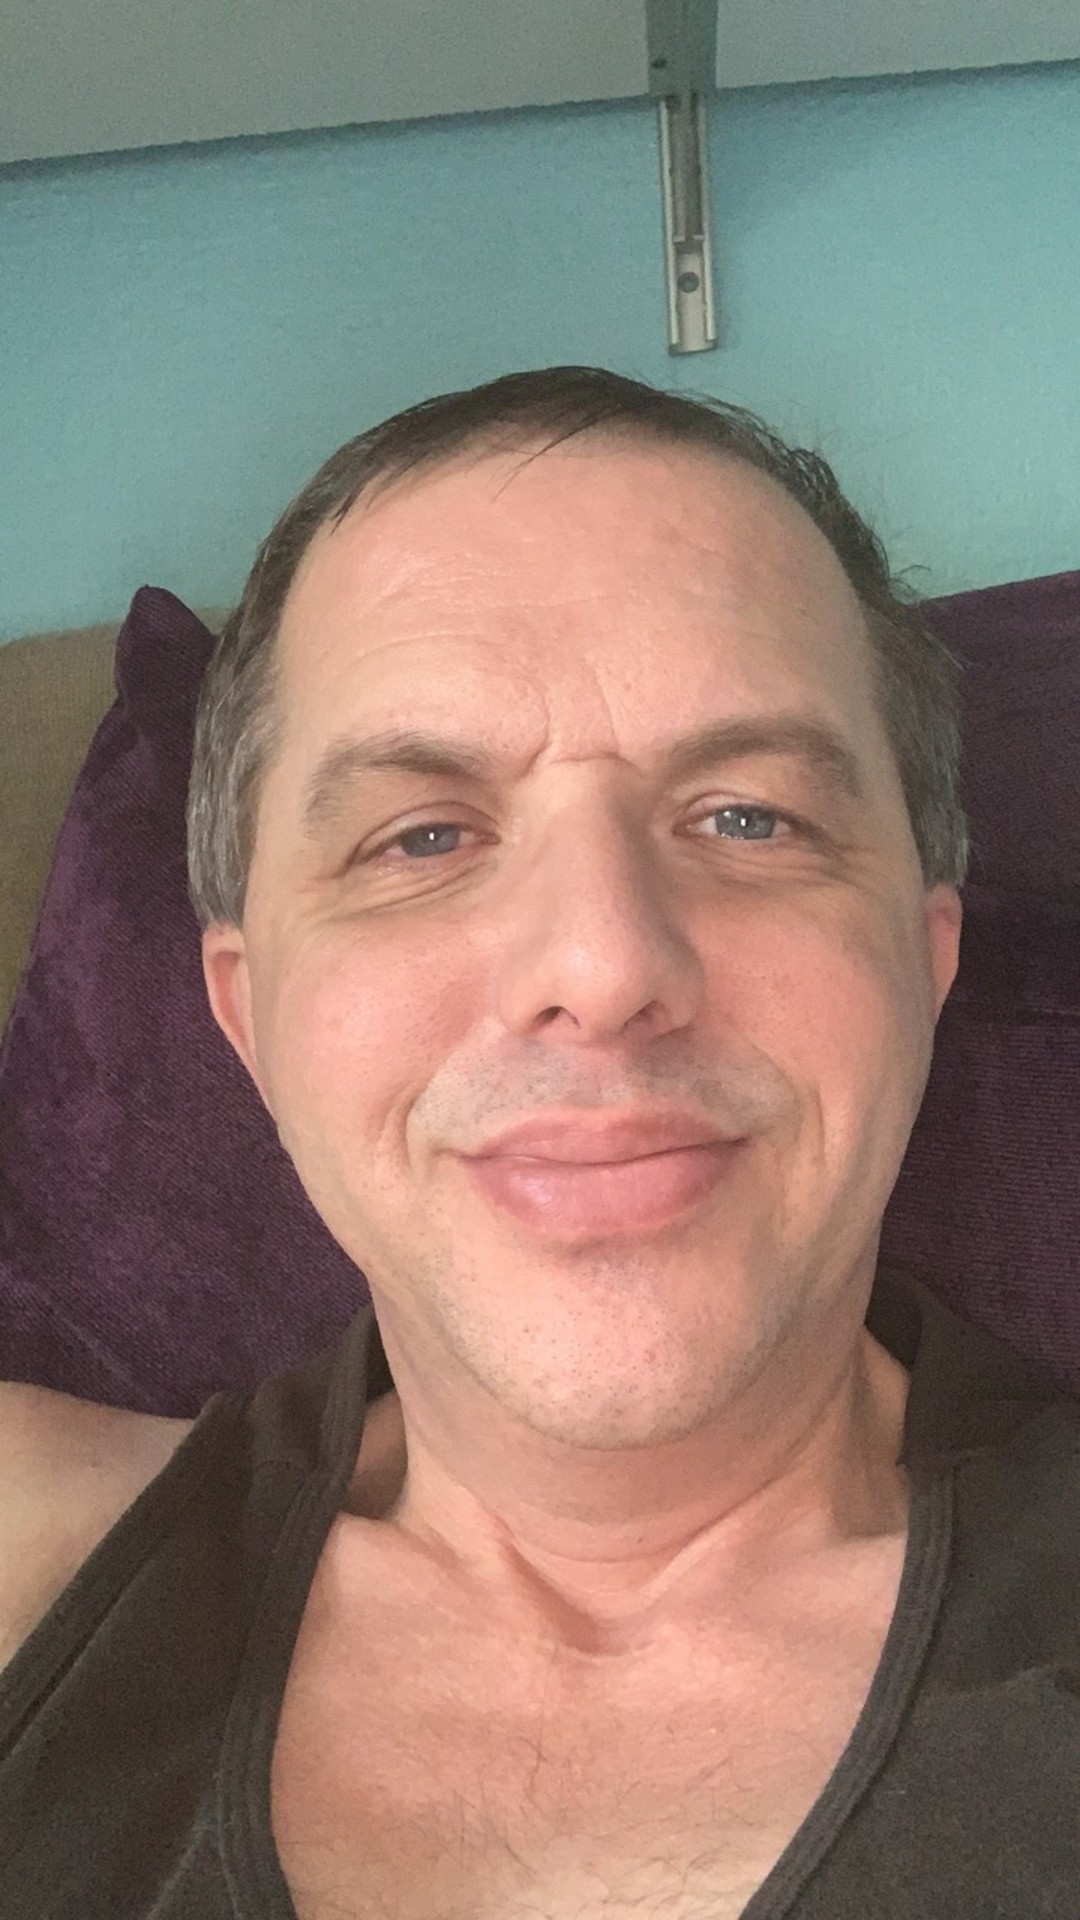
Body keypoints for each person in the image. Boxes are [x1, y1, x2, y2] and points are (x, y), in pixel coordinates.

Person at [0, 368, 1077, 1920]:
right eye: (423, 837)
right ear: (248, 1015)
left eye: (750, 817)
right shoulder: (36, 1556)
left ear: (926, 958)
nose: (605, 962)